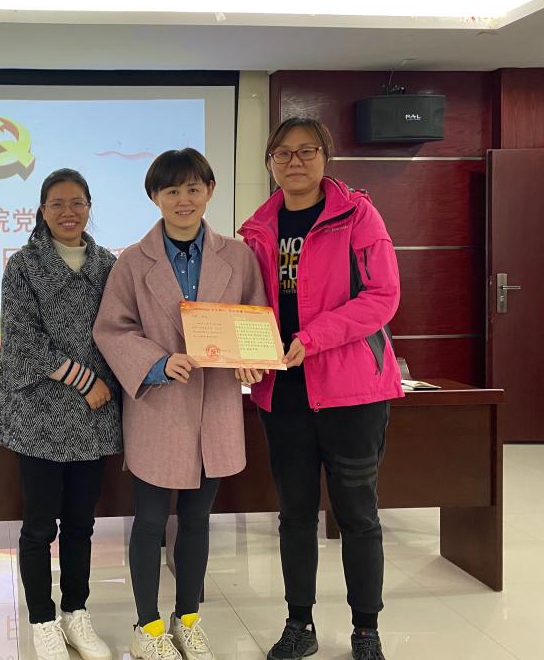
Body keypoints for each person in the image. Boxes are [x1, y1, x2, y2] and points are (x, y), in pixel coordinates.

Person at [238, 117, 402, 660]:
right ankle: (299, 624)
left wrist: (312, 338)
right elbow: (250, 306)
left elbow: (382, 297)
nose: (295, 161)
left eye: (307, 151)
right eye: (283, 153)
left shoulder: (358, 216)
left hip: (352, 390)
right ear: (269, 162)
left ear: (325, 158)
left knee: (357, 514)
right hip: (283, 392)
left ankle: (366, 630)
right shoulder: (257, 228)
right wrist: (242, 353)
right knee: (294, 516)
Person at [94, 148, 267, 660]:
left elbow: (255, 317)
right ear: (155, 197)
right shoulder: (132, 261)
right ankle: (147, 627)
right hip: (160, 408)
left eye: (193, 188)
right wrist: (157, 362)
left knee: (196, 520)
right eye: (172, 190)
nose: (183, 200)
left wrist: (251, 359)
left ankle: (187, 618)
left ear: (210, 191)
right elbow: (112, 329)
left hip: (215, 406)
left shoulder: (238, 257)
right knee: (150, 521)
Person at [0, 168, 121, 660]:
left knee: (81, 522)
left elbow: (121, 331)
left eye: (77, 202)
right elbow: (22, 341)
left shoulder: (108, 265)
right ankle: (42, 620)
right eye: (57, 204)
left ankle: (76, 612)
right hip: (40, 416)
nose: (69, 212)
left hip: (93, 418)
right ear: (42, 211)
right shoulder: (23, 265)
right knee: (40, 525)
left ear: (89, 208)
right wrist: (85, 381)